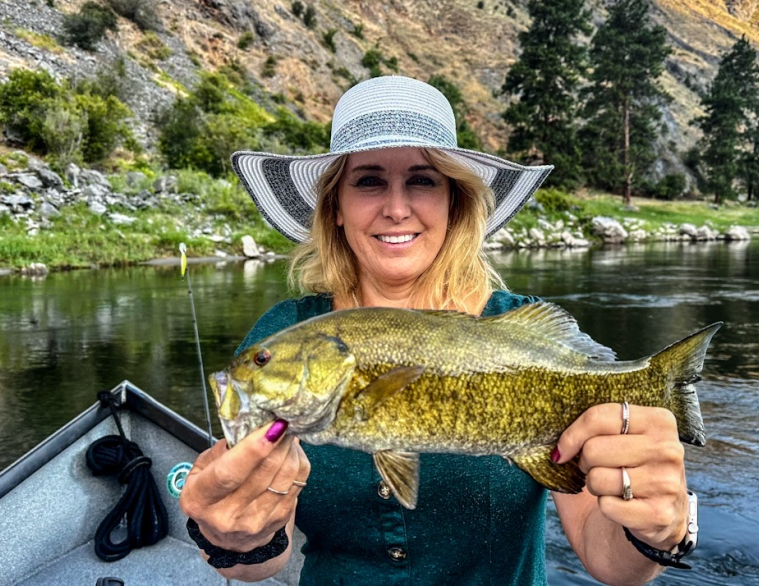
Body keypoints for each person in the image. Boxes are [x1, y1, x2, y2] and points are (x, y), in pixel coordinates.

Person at [179, 76, 697, 585]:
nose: (397, 207)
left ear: (455, 200)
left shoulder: (521, 327)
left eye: (423, 180)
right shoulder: (284, 331)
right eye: (368, 180)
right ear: (336, 206)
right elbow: (260, 563)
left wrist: (659, 528)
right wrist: (235, 537)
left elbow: (610, 563)